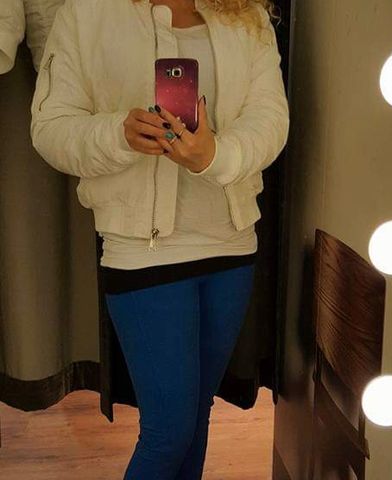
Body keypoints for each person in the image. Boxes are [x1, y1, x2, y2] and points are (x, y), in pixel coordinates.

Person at [30, 0, 289, 478]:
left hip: (231, 245)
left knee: (194, 419)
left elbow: (270, 120)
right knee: (169, 431)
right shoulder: (87, 13)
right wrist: (119, 135)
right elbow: (50, 129)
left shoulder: (246, 13)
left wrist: (214, 156)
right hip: (141, 250)